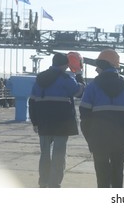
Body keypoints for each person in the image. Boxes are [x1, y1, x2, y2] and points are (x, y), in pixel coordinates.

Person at [79, 49, 124, 188]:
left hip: (98, 138)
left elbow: (84, 115)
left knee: (102, 175)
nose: (95, 70)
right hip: (121, 138)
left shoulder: (92, 87)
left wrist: (90, 137)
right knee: (118, 172)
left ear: (103, 66)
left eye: (98, 66)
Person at [28, 53, 85, 188]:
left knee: (45, 154)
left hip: (43, 122)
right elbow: (80, 92)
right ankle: (54, 184)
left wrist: (35, 122)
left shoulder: (39, 79)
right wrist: (79, 76)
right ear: (65, 65)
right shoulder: (66, 79)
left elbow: (32, 101)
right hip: (61, 124)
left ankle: (43, 182)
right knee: (59, 155)